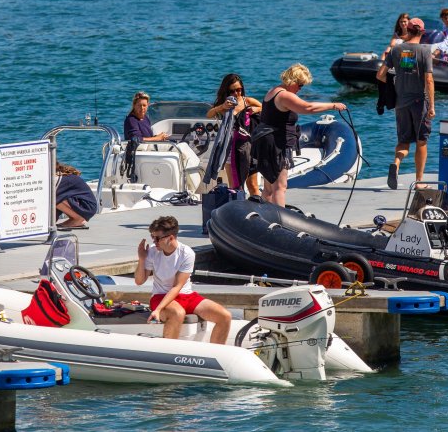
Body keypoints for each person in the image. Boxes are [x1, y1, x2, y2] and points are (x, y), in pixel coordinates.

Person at [252, 64, 346, 207]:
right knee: (280, 187)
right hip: (277, 145)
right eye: (300, 85)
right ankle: (280, 220)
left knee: (269, 187)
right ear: (293, 81)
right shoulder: (284, 95)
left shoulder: (274, 90)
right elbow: (307, 107)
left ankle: (265, 217)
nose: (301, 88)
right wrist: (333, 105)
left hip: (266, 142)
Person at [134, 216, 233, 344]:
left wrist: (158, 310)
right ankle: (168, 355)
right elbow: (139, 281)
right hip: (160, 296)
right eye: (152, 237)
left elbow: (177, 286)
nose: (154, 241)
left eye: (157, 238)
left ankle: (216, 354)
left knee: (225, 316)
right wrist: (142, 259)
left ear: (171, 238)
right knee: (177, 313)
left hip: (186, 295)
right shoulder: (153, 251)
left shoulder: (187, 253)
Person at [377, 17, 435, 189]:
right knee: (421, 141)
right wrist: (432, 106)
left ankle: (396, 163)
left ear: (408, 30)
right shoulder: (425, 51)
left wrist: (396, 80)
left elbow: (380, 75)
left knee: (403, 141)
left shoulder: (396, 49)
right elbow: (429, 80)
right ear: (422, 32)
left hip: (401, 103)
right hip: (419, 102)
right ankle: (419, 181)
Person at [206, 73, 263, 197]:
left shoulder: (247, 101)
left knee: (253, 185)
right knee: (236, 186)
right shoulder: (224, 105)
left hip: (248, 147)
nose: (236, 93)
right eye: (232, 91)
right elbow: (209, 114)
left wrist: (257, 109)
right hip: (230, 148)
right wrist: (222, 106)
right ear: (227, 91)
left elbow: (266, 107)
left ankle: (257, 209)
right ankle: (238, 211)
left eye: (239, 89)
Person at [55, 162, 97, 229]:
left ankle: (78, 219)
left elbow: (55, 199)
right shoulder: (61, 176)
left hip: (87, 207)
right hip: (86, 206)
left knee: (52, 197)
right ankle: (75, 218)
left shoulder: (59, 179)